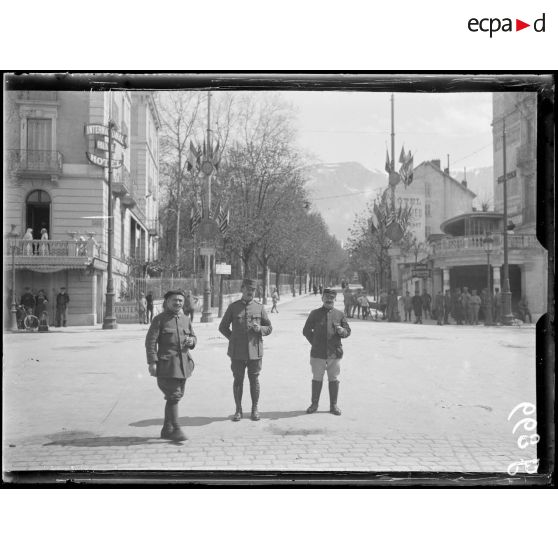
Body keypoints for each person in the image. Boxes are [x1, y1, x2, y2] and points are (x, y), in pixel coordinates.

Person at [145, 289, 196, 442]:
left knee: (175, 397)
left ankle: (167, 429)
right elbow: (150, 342)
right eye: (174, 300)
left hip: (184, 365)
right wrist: (152, 362)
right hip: (167, 365)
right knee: (174, 396)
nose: (178, 303)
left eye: (180, 300)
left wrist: (192, 341)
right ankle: (176, 428)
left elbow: (193, 336)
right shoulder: (159, 319)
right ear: (167, 302)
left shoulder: (186, 319)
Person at [218, 278, 273, 422]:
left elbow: (269, 328)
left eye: (253, 290)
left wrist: (260, 329)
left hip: (255, 351)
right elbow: (222, 327)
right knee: (238, 380)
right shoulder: (233, 307)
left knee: (254, 380)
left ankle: (255, 409)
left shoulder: (259, 307)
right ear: (242, 289)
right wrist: (233, 339)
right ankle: (238, 409)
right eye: (248, 289)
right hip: (237, 352)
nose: (250, 292)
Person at [302, 288, 351, 415]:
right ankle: (314, 404)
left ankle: (333, 405)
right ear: (322, 298)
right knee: (317, 378)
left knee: (333, 378)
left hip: (334, 353)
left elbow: (348, 331)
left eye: (331, 298)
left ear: (335, 299)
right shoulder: (314, 313)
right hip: (317, 353)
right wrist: (315, 343)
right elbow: (306, 331)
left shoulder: (340, 314)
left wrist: (342, 332)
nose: (329, 299)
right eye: (326, 297)